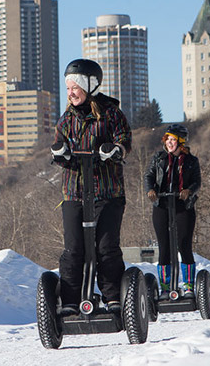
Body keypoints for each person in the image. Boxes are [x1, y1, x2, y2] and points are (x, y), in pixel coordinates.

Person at [51, 58, 132, 315]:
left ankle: (112, 298)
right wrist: (60, 153)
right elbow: (58, 145)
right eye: (68, 88)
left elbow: (124, 141)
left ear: (90, 85)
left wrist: (115, 150)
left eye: (75, 86)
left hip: (107, 193)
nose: (71, 92)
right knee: (74, 250)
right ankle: (71, 302)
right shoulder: (65, 121)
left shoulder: (111, 114)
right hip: (74, 194)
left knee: (105, 249)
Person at [143, 124, 201, 299]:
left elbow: (197, 182)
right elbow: (149, 176)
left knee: (184, 244)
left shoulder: (191, 161)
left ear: (181, 142)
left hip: (183, 206)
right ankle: (166, 288)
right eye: (167, 139)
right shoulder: (158, 158)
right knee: (164, 247)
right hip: (161, 204)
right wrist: (151, 190)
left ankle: (189, 285)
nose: (169, 143)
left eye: (173, 139)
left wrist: (188, 190)